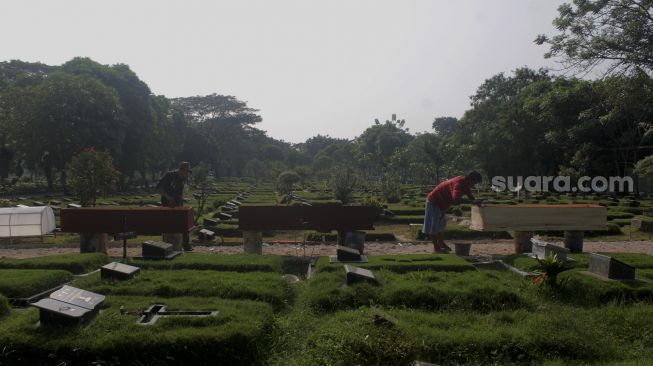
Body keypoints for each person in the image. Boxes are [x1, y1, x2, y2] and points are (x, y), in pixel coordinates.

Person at [423, 171, 483, 253]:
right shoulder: (458, 184)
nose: (474, 185)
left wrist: (476, 201)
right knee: (434, 226)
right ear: (470, 179)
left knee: (441, 224)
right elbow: (456, 200)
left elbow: (469, 194)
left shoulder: (464, 182)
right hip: (434, 202)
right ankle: (436, 248)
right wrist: (472, 202)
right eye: (474, 183)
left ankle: (441, 243)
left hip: (442, 204)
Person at [157, 162, 193, 251]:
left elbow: (178, 192)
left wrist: (182, 199)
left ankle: (185, 245)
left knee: (184, 224)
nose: (187, 174)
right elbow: (159, 188)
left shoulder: (182, 179)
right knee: (169, 227)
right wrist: (169, 198)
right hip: (168, 205)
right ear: (182, 169)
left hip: (178, 205)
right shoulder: (169, 175)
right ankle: (169, 246)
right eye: (186, 172)